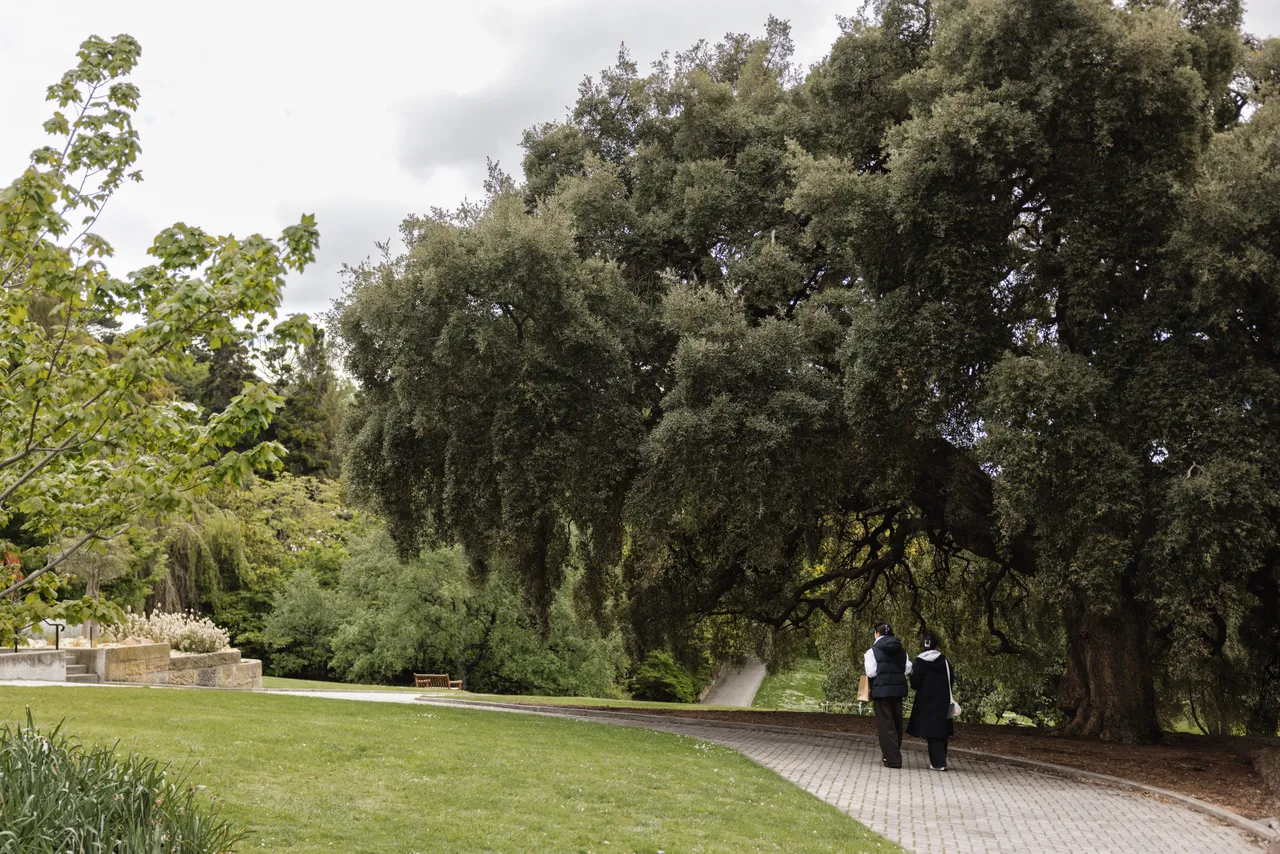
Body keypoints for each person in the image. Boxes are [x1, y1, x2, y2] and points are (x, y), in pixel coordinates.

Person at [864, 622, 911, 768]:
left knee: (885, 724)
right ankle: (891, 754)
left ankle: (893, 759)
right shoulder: (901, 650)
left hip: (881, 690)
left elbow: (871, 672)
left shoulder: (873, 651)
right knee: (896, 723)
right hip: (898, 691)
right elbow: (908, 669)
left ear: (877, 634)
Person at [907, 630, 956, 771]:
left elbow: (915, 683)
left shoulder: (920, 662)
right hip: (944, 699)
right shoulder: (944, 660)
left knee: (931, 731)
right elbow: (951, 678)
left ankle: (938, 762)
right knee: (942, 728)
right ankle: (941, 758)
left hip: (926, 700)